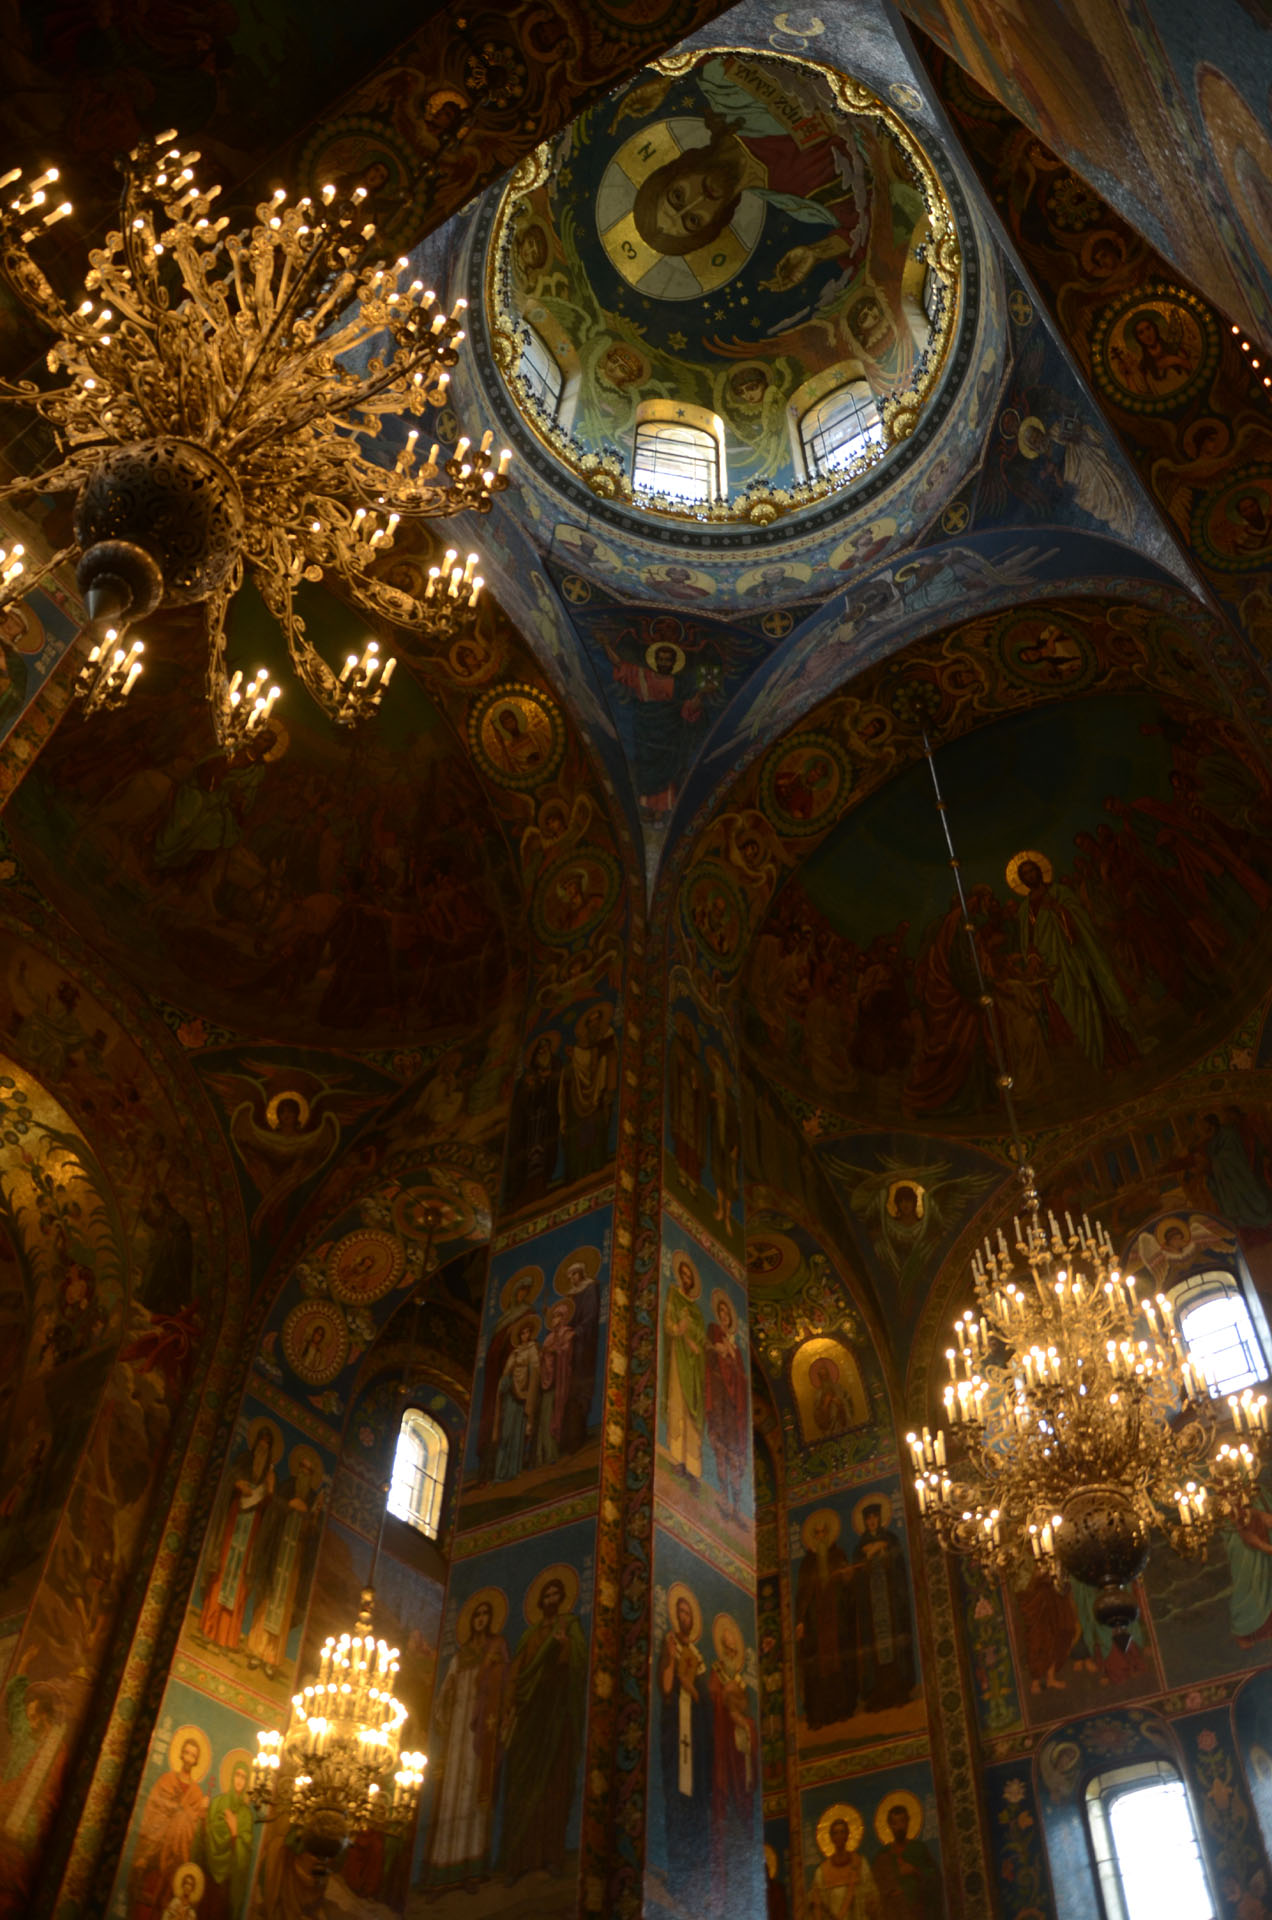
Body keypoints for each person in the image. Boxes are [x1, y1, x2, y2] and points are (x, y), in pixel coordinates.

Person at [498, 1573, 588, 1880]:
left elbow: (579, 1664)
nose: (550, 1600)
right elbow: (517, 1674)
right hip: (530, 1717)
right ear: (540, 1601)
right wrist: (509, 1707)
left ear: (561, 1600)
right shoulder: (530, 1635)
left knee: (555, 1782)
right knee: (521, 1783)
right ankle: (517, 1859)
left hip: (557, 1714)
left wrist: (564, 1648)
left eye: (555, 1595)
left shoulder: (570, 1627)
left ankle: (551, 1856)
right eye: (546, 1596)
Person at [423, 1594, 509, 1886]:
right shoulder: (459, 1657)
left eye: (485, 1614)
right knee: (451, 1793)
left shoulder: (496, 1648)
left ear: (491, 1620)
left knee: (474, 1789)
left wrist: (495, 1671)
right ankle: (443, 1869)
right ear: (472, 1621)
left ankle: (472, 1867)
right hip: (457, 1729)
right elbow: (444, 1693)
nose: (481, 1619)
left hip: (480, 1728)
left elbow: (506, 1680)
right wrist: (446, 1704)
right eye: (477, 1615)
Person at [198, 1426, 276, 1649]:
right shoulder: (243, 1460)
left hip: (252, 1532)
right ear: (255, 1443)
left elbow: (270, 1507)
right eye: (260, 1442)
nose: (262, 1447)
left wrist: (270, 1490)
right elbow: (230, 1479)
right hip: (233, 1523)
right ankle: (209, 1626)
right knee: (222, 1571)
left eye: (267, 1444)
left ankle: (228, 1637)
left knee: (241, 1579)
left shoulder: (269, 1475)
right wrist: (237, 1484)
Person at [659, 1588, 711, 1892]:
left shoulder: (699, 1658)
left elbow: (704, 1701)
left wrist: (693, 1689)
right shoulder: (670, 1646)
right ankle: (678, 1872)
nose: (684, 1616)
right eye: (680, 1611)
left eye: (688, 1612)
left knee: (696, 1802)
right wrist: (669, 1659)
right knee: (677, 1798)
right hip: (676, 1734)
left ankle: (697, 1874)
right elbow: (666, 1688)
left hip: (696, 1740)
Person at [127, 1736, 210, 1920]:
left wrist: (192, 1812)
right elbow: (152, 1806)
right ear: (181, 1754)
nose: (188, 1758)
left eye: (193, 1755)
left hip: (176, 1850)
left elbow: (194, 1824)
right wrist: (168, 1813)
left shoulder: (196, 1793)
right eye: (186, 1753)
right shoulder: (166, 1780)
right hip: (155, 1844)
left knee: (165, 1895)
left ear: (196, 1761)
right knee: (144, 1887)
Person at [852, 1504, 916, 1712]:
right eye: (868, 1519)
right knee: (875, 1649)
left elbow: (898, 1567)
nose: (872, 1521)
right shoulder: (859, 1548)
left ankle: (899, 1690)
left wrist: (883, 1549)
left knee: (895, 1646)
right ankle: (877, 1694)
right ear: (864, 1522)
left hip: (890, 1603)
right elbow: (857, 1575)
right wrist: (868, 1557)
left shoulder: (891, 1539)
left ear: (880, 1518)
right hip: (872, 1605)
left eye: (874, 1517)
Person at [796, 1510, 857, 1727]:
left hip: (836, 1619)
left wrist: (847, 1577)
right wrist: (800, 1621)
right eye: (817, 1533)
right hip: (816, 1623)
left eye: (824, 1532)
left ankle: (843, 1709)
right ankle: (820, 1714)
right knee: (817, 1668)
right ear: (813, 1536)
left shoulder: (838, 1555)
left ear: (829, 1533)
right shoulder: (807, 1563)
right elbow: (802, 1595)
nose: (821, 1536)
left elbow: (848, 1585)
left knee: (840, 1663)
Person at [558, 1004, 618, 1183]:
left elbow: (609, 1060)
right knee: (578, 1135)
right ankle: (577, 1171)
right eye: (590, 1022)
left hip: (598, 1097)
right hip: (579, 1101)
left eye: (597, 1021)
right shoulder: (581, 1046)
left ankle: (595, 1164)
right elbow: (577, 1066)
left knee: (596, 1129)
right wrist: (572, 1063)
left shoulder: (607, 1040)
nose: (594, 1025)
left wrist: (608, 1088)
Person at [663, 1255, 707, 1479]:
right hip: (678, 1357)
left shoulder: (696, 1310)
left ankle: (693, 1467)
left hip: (693, 1363)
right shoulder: (673, 1295)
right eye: (684, 1275)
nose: (687, 1280)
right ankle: (677, 1459)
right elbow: (668, 1324)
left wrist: (696, 1342)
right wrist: (678, 1329)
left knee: (692, 1412)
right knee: (678, 1403)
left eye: (690, 1277)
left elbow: (702, 1337)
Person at [705, 1293, 748, 1515]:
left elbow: (742, 1381)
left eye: (726, 1314)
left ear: (730, 1319)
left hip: (733, 1408)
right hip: (719, 1401)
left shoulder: (737, 1350)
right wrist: (716, 1350)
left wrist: (730, 1355)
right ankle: (723, 1497)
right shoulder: (713, 1334)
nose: (723, 1316)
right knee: (719, 1451)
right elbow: (708, 1360)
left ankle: (738, 1506)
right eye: (720, 1312)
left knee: (733, 1456)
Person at [197, 1758, 254, 1920]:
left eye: (243, 1777)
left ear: (247, 1783)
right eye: (237, 1775)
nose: (239, 1780)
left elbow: (243, 1857)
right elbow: (204, 1837)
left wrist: (235, 1832)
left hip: (227, 1880)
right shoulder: (217, 1802)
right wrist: (203, 1818)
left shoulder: (246, 1815)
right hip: (208, 1871)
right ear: (232, 1776)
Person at [557, 1256, 600, 1455]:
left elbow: (590, 1315)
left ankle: (577, 1437)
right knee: (566, 1390)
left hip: (583, 1344)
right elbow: (568, 1317)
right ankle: (565, 1439)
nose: (572, 1278)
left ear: (581, 1273)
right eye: (570, 1276)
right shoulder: (571, 1295)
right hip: (571, 1346)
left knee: (579, 1388)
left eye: (574, 1274)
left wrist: (577, 1331)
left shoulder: (590, 1288)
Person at [870, 1802, 941, 1918]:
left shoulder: (919, 1849)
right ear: (890, 1825)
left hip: (917, 1911)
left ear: (908, 1822)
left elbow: (934, 1877)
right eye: (895, 1823)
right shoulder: (882, 1854)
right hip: (892, 1912)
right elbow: (875, 1885)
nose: (899, 1827)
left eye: (902, 1821)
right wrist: (895, 1877)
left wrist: (915, 1871)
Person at [493, 1318, 540, 1482]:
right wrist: (505, 1381)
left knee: (517, 1435)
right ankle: (500, 1472)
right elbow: (506, 1373)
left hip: (524, 1396)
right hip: (511, 1396)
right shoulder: (514, 1353)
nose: (525, 1335)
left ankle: (514, 1470)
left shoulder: (533, 1349)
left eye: (527, 1332)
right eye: (522, 1333)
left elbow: (535, 1370)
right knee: (506, 1434)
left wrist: (526, 1377)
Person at [809, 1815, 880, 1918]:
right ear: (831, 1837)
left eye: (842, 1832)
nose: (839, 1836)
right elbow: (818, 1904)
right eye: (836, 1833)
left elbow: (871, 1894)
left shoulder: (860, 1863)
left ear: (847, 1835)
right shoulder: (822, 1871)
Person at [535, 1300, 575, 1465]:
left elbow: (566, 1352)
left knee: (556, 1415)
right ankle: (546, 1454)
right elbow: (543, 1357)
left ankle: (553, 1453)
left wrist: (554, 1350)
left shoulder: (567, 1333)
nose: (554, 1319)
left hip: (560, 1380)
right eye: (552, 1317)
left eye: (557, 1316)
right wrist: (543, 1355)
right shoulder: (549, 1337)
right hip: (548, 1382)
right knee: (545, 1418)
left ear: (564, 1317)